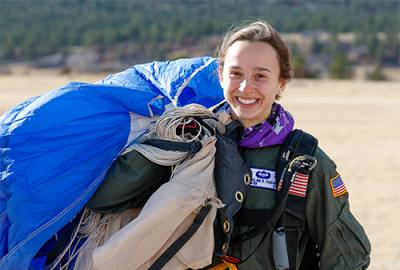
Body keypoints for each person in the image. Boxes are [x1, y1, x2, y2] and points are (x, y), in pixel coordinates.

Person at [87, 20, 371, 269]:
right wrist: (164, 146)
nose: (246, 87)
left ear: (281, 84)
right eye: (236, 73)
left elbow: (347, 256)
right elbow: (108, 201)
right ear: (221, 74)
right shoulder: (191, 141)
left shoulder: (304, 163)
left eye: (260, 75)